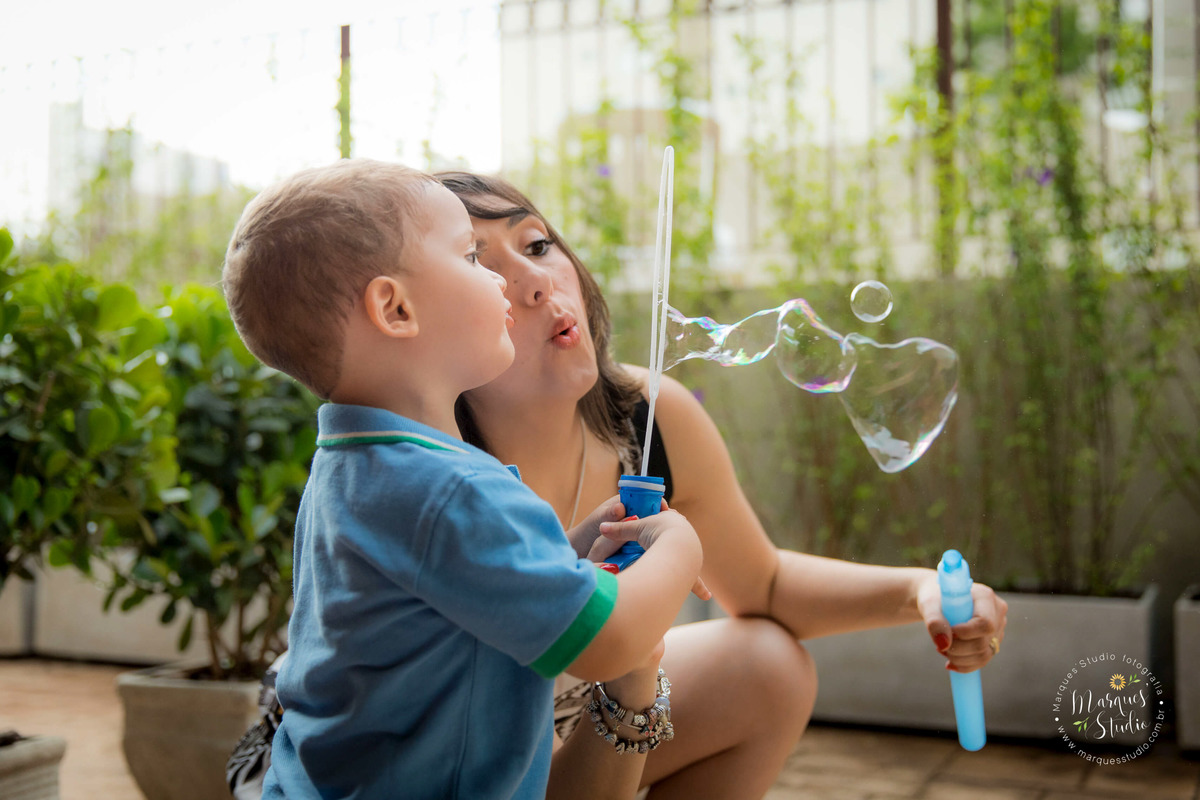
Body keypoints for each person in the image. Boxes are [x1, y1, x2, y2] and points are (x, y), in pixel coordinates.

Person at [437, 170, 1010, 796]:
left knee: (767, 667)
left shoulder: (650, 418)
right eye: (479, 265)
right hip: (468, 761)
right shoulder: (438, 482)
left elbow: (762, 586)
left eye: (537, 244)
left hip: (588, 715)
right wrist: (630, 678)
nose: (537, 281)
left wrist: (919, 592)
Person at [221, 158, 707, 799]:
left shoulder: (359, 468)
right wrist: (681, 545)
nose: (505, 283)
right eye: (473, 257)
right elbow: (607, 646)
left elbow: (449, 605)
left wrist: (565, 549)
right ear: (395, 309)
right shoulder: (449, 490)